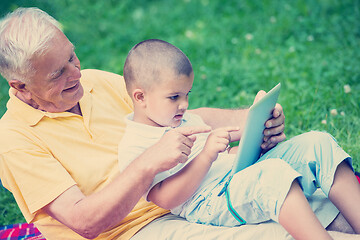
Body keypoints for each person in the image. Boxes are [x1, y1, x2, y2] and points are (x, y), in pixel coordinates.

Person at [0, 7, 358, 240]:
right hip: (136, 230)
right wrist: (151, 161)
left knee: (320, 198)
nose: (76, 72)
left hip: (201, 188)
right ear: (21, 86)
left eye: (73, 56)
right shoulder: (14, 140)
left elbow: (176, 115)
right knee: (275, 228)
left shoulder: (90, 81)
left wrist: (252, 120)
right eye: (58, 72)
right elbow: (85, 221)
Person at [118, 39, 360, 240]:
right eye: (174, 97)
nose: (185, 104)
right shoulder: (135, 145)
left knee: (318, 143)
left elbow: (226, 150)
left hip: (234, 177)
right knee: (272, 175)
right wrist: (206, 157)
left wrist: (256, 130)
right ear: (141, 97)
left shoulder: (182, 119)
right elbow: (165, 198)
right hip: (207, 201)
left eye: (187, 94)